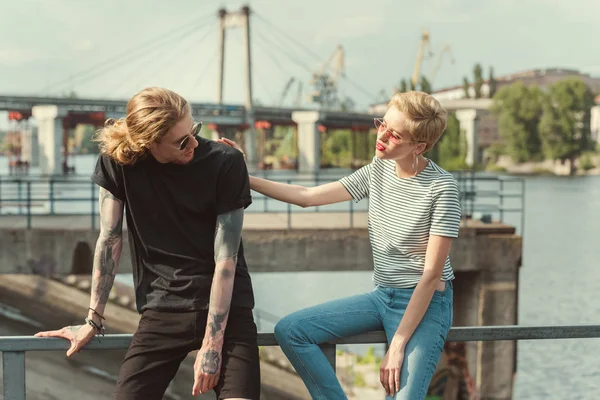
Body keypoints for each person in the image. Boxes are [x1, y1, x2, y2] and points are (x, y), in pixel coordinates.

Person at [218, 91, 461, 400]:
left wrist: (397, 346)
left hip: (427, 306)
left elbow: (429, 276)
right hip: (382, 296)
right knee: (292, 331)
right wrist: (244, 175)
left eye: (395, 134)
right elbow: (307, 197)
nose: (382, 136)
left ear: (419, 146)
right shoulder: (379, 170)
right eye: (382, 125)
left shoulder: (442, 188)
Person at [35, 87, 260, 400]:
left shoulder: (226, 161)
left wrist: (212, 344)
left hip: (229, 311)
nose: (193, 143)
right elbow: (110, 239)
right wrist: (93, 320)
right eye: (181, 142)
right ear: (148, 143)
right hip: (163, 307)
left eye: (194, 131)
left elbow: (226, 260)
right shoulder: (117, 163)